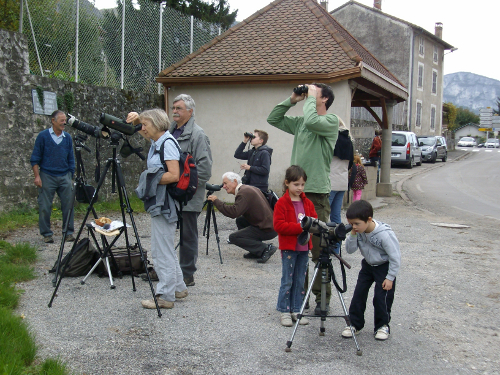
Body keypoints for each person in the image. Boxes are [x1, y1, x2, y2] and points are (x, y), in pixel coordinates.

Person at [267, 83, 339, 315]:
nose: (309, 96)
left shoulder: (330, 122)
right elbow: (273, 119)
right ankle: (301, 297)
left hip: (316, 194)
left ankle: (322, 298)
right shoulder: (301, 123)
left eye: (314, 93)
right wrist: (293, 99)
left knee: (318, 250)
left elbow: (311, 121)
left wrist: (309, 96)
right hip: (294, 196)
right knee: (299, 250)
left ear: (324, 99)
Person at [129, 94, 212, 287]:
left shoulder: (198, 135)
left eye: (179, 108)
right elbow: (152, 137)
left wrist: (184, 187)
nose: (174, 111)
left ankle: (187, 274)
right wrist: (138, 122)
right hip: (169, 192)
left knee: (187, 235)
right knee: (167, 238)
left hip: (187, 192)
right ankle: (171, 275)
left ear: (190, 112)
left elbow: (204, 169)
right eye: (173, 108)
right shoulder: (171, 131)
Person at [133, 109, 188, 309]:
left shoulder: (167, 144)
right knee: (165, 248)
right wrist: (136, 118)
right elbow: (141, 130)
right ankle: (179, 288)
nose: (143, 128)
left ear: (156, 124)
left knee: (160, 251)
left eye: (145, 124)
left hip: (165, 204)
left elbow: (174, 175)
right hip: (161, 202)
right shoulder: (158, 142)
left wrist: (149, 179)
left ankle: (165, 296)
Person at [342, 200, 401, 341]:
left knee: (382, 297)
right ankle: (355, 324)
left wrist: (390, 277)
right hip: (368, 265)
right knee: (359, 294)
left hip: (384, 267)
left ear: (369, 220)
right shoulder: (357, 232)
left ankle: (382, 326)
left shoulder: (384, 235)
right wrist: (353, 235)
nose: (354, 227)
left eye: (357, 224)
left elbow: (395, 256)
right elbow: (350, 250)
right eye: (351, 224)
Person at [274, 165, 317, 327]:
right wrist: (300, 227)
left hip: (304, 248)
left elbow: (314, 219)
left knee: (300, 280)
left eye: (302, 184)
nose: (299, 188)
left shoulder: (308, 203)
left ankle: (297, 309)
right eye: (296, 184)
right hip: (289, 248)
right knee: (287, 280)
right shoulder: (281, 203)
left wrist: (311, 228)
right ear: (287, 183)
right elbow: (279, 225)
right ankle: (284, 311)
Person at [206, 172, 277, 263]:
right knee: (240, 221)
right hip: (271, 225)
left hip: (268, 229)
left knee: (234, 237)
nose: (223, 186)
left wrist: (216, 201)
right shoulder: (247, 188)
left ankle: (265, 249)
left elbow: (233, 212)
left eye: (225, 183)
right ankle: (255, 250)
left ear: (235, 181)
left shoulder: (243, 193)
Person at [30, 110, 76, 244]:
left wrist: (70, 175)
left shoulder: (67, 138)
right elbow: (35, 158)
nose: (64, 123)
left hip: (64, 175)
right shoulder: (43, 136)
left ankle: (68, 232)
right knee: (44, 205)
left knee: (68, 205)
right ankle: (46, 234)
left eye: (64, 120)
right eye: (61, 120)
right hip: (47, 175)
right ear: (53, 121)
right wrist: (37, 176)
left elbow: (71, 158)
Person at [328, 119, 354, 255]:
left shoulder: (332, 138)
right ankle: (337, 248)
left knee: (323, 215)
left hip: (331, 181)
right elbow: (350, 164)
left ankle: (323, 246)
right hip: (342, 182)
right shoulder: (349, 140)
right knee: (336, 216)